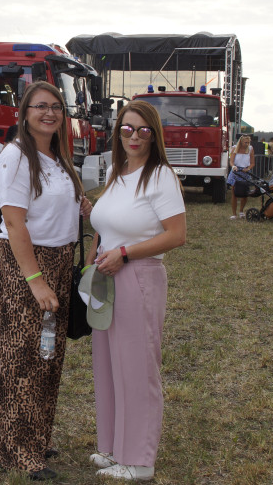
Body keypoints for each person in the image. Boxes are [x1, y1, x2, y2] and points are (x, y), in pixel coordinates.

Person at [0, 81, 90, 480]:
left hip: (62, 259)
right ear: (24, 111)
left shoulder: (59, 157)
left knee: (48, 355)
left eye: (56, 107)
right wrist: (35, 280)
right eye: (40, 106)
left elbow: (58, 207)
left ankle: (37, 436)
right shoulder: (15, 158)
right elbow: (15, 223)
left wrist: (83, 206)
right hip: (27, 264)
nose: (49, 113)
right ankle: (15, 450)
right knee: (22, 358)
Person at [86, 100, 186, 481]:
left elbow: (176, 235)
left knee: (138, 367)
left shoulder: (161, 177)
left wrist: (124, 253)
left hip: (138, 276)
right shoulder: (117, 171)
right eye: (127, 129)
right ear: (117, 132)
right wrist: (96, 245)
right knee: (109, 366)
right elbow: (108, 221)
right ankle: (114, 449)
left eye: (143, 130)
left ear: (154, 135)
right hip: (106, 276)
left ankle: (140, 460)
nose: (134, 136)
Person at [226, 135, 254, 219]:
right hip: (236, 171)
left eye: (248, 142)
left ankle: (241, 211)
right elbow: (231, 161)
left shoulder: (250, 149)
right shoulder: (235, 148)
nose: (247, 144)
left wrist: (248, 168)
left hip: (245, 171)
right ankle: (234, 214)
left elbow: (252, 163)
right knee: (234, 192)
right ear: (241, 142)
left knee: (245, 193)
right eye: (246, 142)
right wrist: (233, 166)